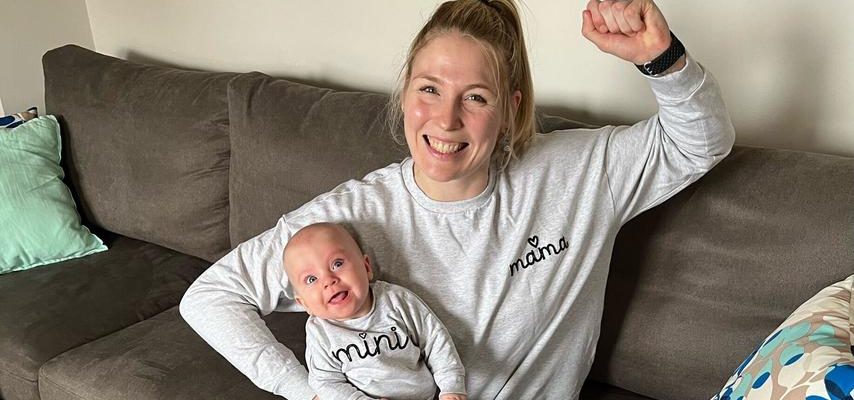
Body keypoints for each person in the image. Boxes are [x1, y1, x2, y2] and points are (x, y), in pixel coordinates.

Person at [180, 0, 735, 398]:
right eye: (429, 90)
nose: (445, 120)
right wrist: (307, 393)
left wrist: (662, 58)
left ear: (511, 109)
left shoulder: (581, 172)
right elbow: (210, 298)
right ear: (405, 95)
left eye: (474, 97)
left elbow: (701, 144)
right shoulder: (348, 221)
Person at [283, 222, 466, 400]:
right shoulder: (320, 332)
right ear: (304, 303)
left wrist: (451, 387)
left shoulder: (396, 301)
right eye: (311, 279)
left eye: (337, 264)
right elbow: (326, 382)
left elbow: (436, 341)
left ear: (366, 267)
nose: (328, 280)